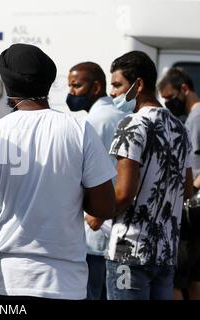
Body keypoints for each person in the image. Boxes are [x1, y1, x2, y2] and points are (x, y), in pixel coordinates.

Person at [0, 43, 116, 300]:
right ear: (48, 82)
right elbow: (104, 207)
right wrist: (69, 201)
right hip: (65, 282)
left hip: (9, 279)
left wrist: (11, 214)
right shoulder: (79, 130)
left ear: (7, 85)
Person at [106, 51, 193, 300]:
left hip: (128, 252)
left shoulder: (132, 124)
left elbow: (123, 194)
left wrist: (95, 214)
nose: (112, 93)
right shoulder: (180, 128)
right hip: (166, 254)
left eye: (117, 84)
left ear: (139, 84)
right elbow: (186, 190)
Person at [67, 62, 131, 300]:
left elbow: (82, 177)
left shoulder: (96, 121)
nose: (72, 92)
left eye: (77, 85)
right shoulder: (120, 114)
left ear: (96, 87)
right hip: (118, 228)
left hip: (95, 229)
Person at [158, 67, 200, 300]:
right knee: (193, 277)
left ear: (184, 89)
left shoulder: (197, 117)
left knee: (178, 277)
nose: (169, 104)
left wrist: (190, 189)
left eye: (171, 98)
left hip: (191, 211)